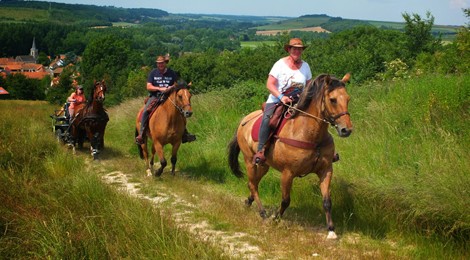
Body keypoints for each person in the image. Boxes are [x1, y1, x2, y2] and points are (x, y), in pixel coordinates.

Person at [253, 38, 312, 165]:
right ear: (289, 49)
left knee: (315, 118)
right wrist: (281, 97)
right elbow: (269, 84)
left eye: (299, 49)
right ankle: (261, 150)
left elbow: (309, 86)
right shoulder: (280, 64)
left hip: (298, 102)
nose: (297, 51)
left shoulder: (306, 66)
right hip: (277, 100)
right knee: (267, 119)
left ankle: (322, 150)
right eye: (294, 48)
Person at [135, 55, 196, 145]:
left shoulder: (171, 73)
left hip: (169, 96)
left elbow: (177, 84)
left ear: (165, 63)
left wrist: (179, 86)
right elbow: (148, 86)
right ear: (157, 64)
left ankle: (184, 133)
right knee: (145, 111)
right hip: (155, 96)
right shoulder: (153, 73)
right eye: (158, 63)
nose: (160, 65)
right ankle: (141, 134)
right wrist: (160, 88)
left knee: (181, 112)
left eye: (162, 63)